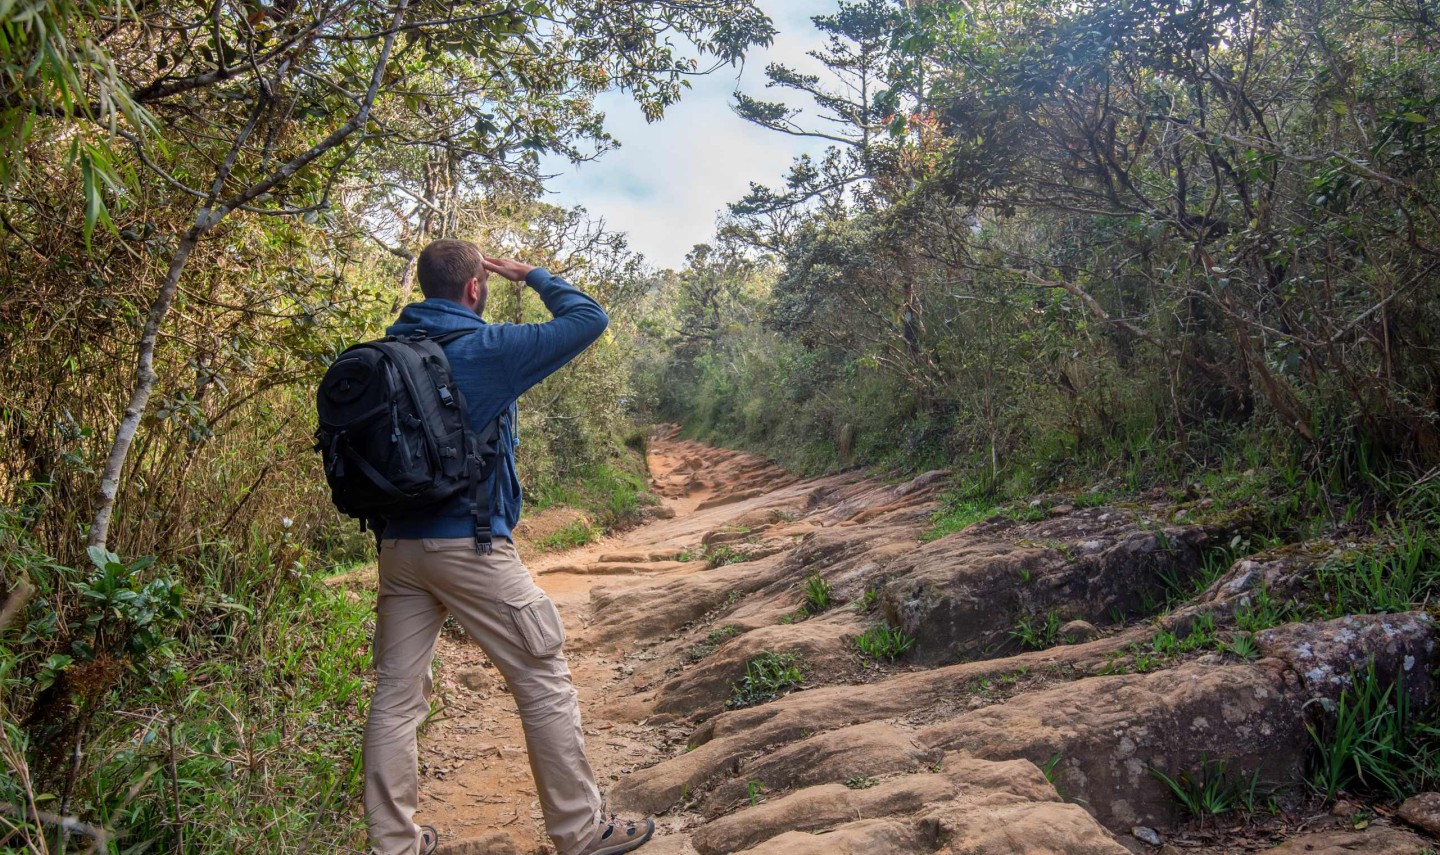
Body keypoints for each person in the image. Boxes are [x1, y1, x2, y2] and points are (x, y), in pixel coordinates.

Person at [361, 239, 655, 855]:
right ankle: (580, 830)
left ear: (423, 287)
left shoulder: (385, 355)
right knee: (542, 677)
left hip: (397, 549)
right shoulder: (488, 348)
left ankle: (395, 845)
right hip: (471, 546)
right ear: (475, 288)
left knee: (395, 696)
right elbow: (589, 319)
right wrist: (533, 274)